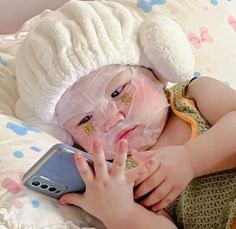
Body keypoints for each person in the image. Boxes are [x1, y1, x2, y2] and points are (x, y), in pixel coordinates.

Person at [14, 1, 236, 228]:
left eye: (119, 91)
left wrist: (191, 159)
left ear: (151, 68)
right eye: (85, 120)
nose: (111, 119)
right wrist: (122, 214)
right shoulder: (118, 178)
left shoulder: (193, 95)